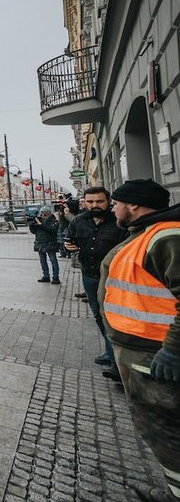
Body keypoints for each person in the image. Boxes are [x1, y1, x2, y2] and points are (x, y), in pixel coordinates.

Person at [98, 179, 179, 502]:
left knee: (166, 429)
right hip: (143, 350)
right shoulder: (147, 233)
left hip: (157, 353)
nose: (112, 207)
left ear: (134, 205)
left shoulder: (166, 235)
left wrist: (173, 350)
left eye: (116, 202)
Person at [63, 187, 128, 374]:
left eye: (99, 201)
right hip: (90, 275)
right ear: (84, 202)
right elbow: (69, 242)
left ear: (108, 201)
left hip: (116, 277)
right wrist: (69, 247)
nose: (95, 205)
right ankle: (110, 352)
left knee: (115, 316)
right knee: (99, 315)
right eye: (90, 202)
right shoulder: (78, 221)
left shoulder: (119, 221)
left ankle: (118, 359)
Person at [30, 206, 61, 284]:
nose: (43, 214)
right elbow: (33, 231)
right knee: (42, 261)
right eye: (42, 212)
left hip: (50, 243)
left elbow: (52, 229)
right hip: (40, 243)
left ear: (49, 213)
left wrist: (41, 224)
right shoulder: (39, 220)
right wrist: (32, 224)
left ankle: (56, 277)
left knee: (53, 261)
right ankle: (46, 276)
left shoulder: (53, 220)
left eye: (45, 212)